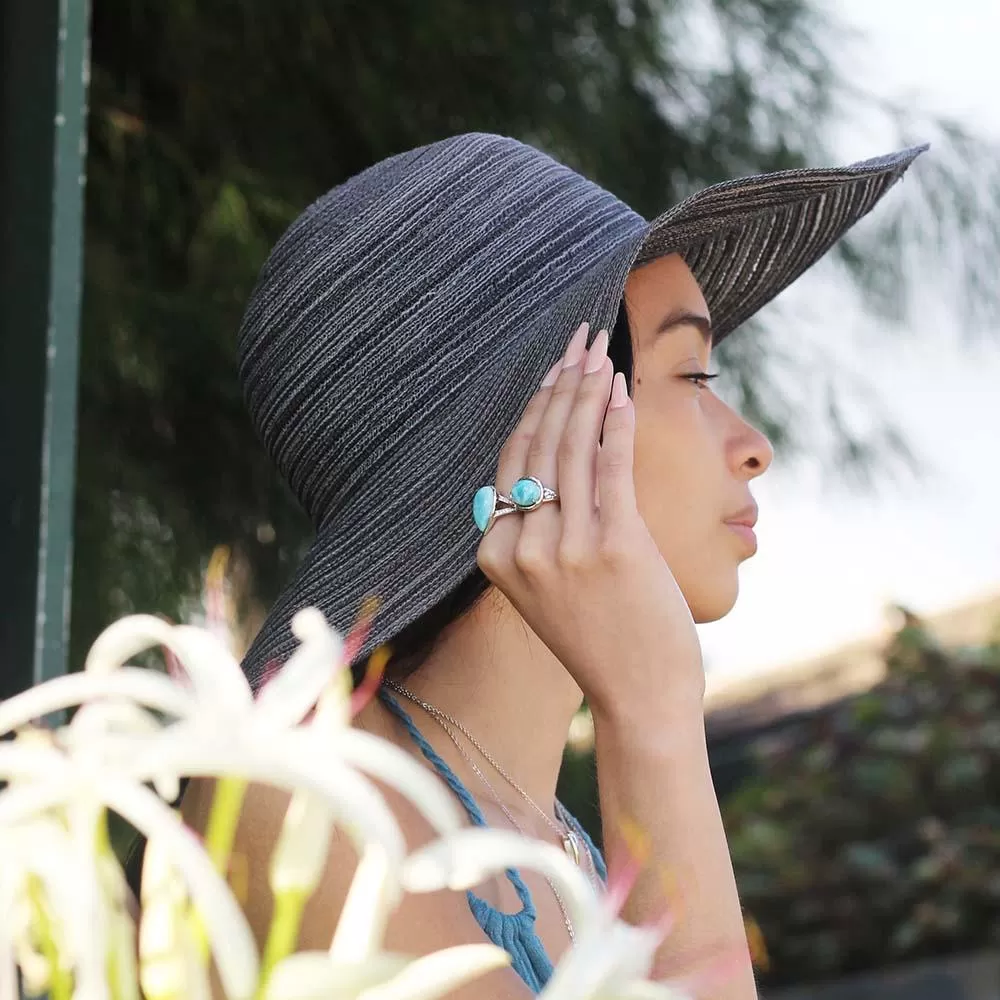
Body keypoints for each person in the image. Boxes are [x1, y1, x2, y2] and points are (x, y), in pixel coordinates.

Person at [178, 132, 926, 998]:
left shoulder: (559, 839)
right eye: (692, 375)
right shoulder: (312, 799)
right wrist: (652, 714)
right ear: (544, 419)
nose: (754, 447)